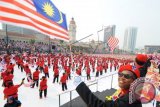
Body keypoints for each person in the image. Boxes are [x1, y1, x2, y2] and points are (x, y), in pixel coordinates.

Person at [74, 64, 142, 107]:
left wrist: (80, 86)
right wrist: (109, 100)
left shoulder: (130, 99)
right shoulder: (123, 91)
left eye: (127, 76)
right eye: (120, 74)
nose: (122, 77)